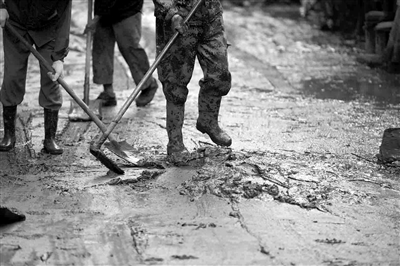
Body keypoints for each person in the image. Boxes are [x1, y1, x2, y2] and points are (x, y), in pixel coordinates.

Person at [153, 0, 232, 162]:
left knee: (220, 76)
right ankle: (175, 143)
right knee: (175, 85)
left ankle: (208, 121)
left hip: (210, 17)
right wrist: (171, 12)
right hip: (178, 18)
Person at [0, 0, 71, 155]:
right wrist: (1, 6)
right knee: (12, 77)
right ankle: (9, 134)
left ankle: (49, 138)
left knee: (51, 77)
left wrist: (59, 57)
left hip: (47, 27)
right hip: (16, 23)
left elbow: (64, 19)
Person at [85, 0, 159, 107]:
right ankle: (108, 92)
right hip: (103, 10)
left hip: (126, 7)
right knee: (101, 48)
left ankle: (147, 84)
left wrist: (96, 18)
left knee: (129, 47)